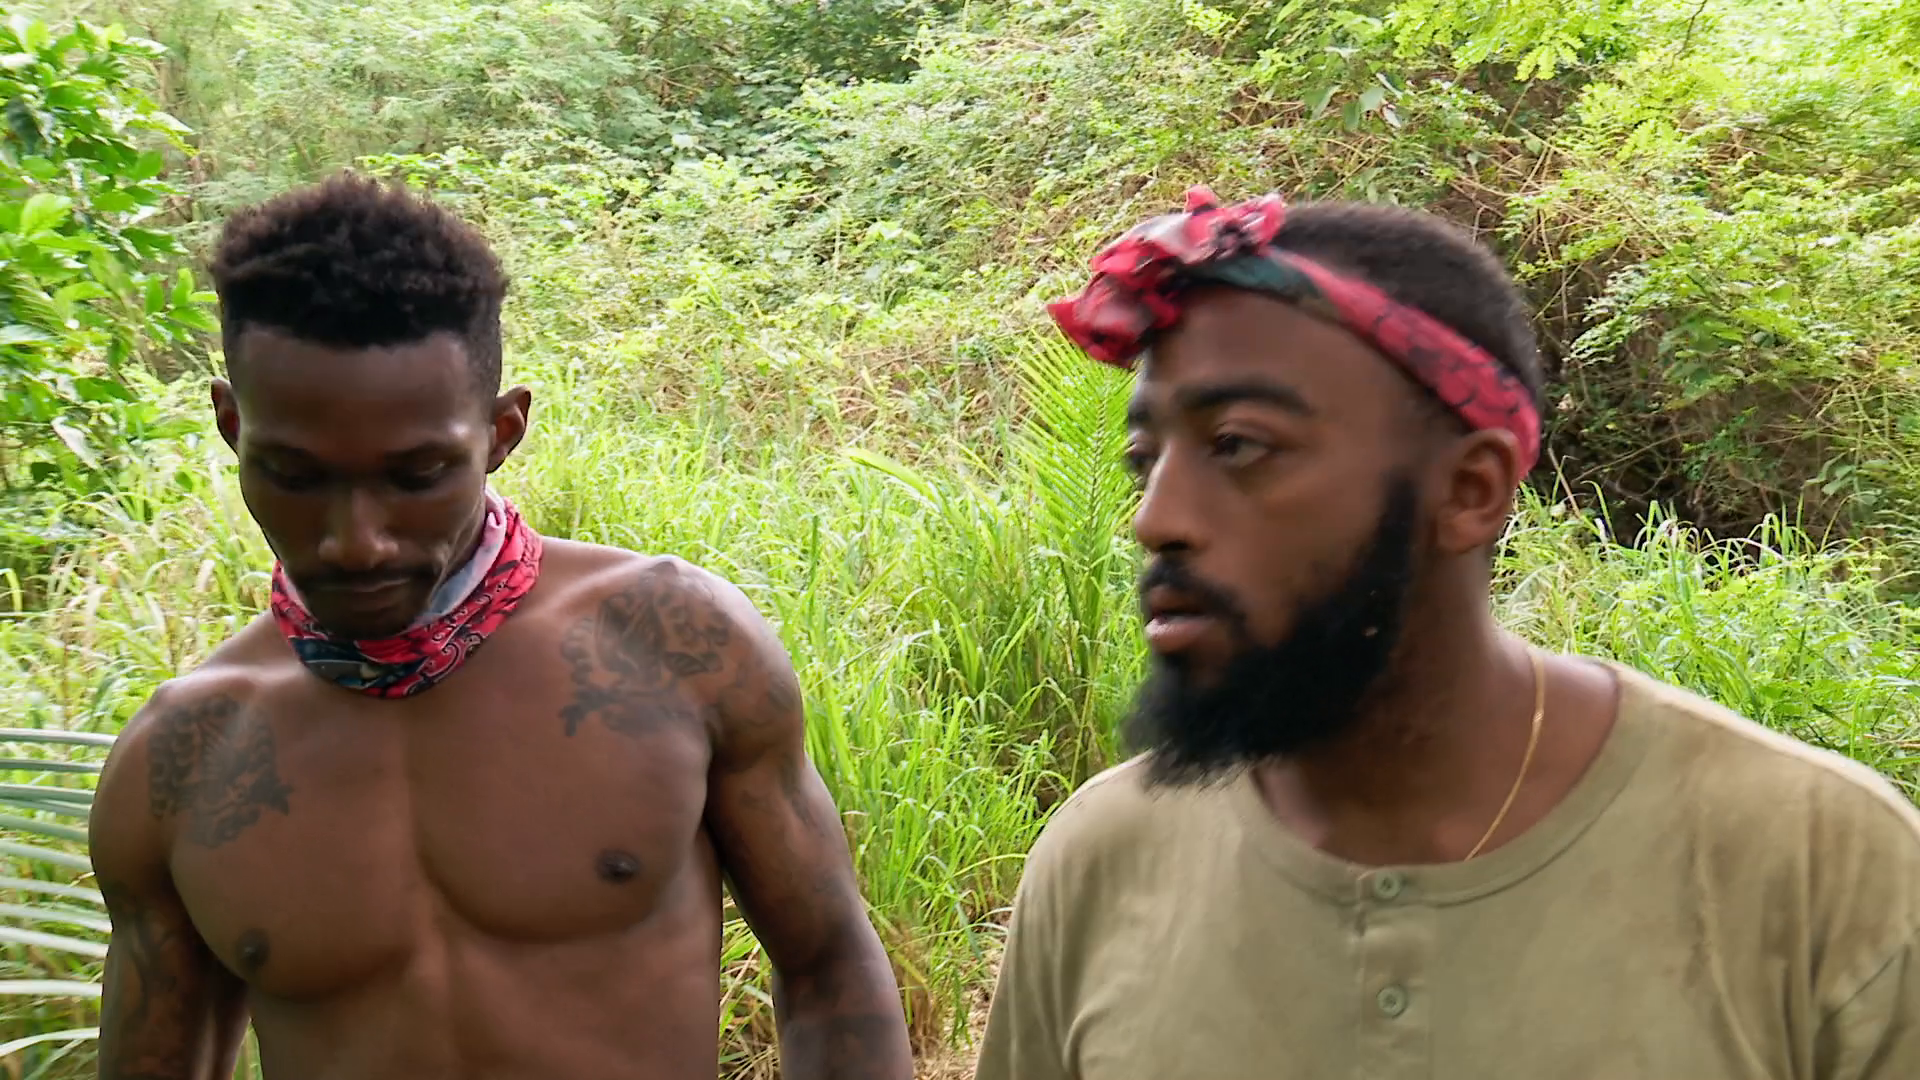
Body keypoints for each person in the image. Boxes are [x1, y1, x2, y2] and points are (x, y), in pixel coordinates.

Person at [975, 187, 1920, 1079]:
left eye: (1239, 446)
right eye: (1146, 459)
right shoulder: (1102, 859)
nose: (1156, 519)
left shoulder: (1822, 866)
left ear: (1471, 490)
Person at [86, 173, 912, 1080]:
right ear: (230, 426)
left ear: (502, 432)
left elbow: (829, 968)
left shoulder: (674, 644)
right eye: (295, 475)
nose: (356, 542)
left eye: (417, 476)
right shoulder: (182, 759)